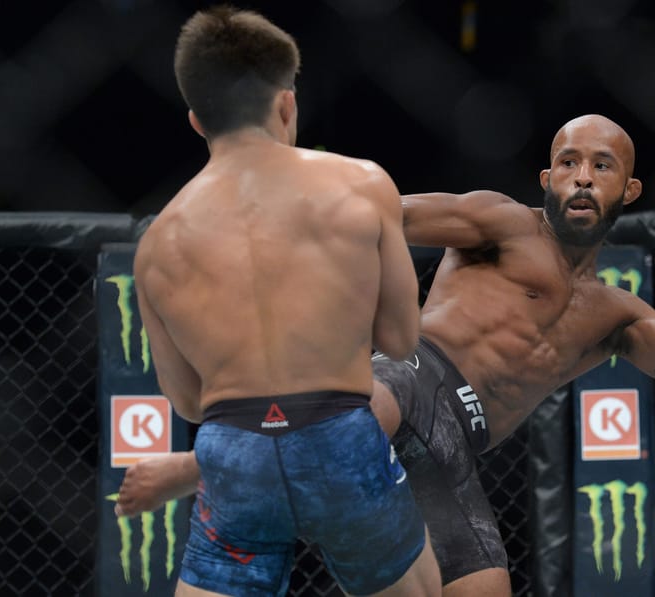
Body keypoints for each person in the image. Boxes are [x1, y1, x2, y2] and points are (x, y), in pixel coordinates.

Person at [117, 114, 655, 596]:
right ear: (546, 179)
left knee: (485, 586)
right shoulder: (501, 223)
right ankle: (205, 462)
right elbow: (385, 213)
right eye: (568, 163)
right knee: (371, 399)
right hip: (414, 376)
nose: (582, 178)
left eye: (601, 166)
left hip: (456, 453)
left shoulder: (618, 316)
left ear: (630, 188)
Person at [129, 5, 440, 597]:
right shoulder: (362, 183)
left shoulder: (158, 242)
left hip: (234, 455)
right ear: (287, 104)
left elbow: (191, 403)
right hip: (340, 438)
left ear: (196, 121)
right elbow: (401, 340)